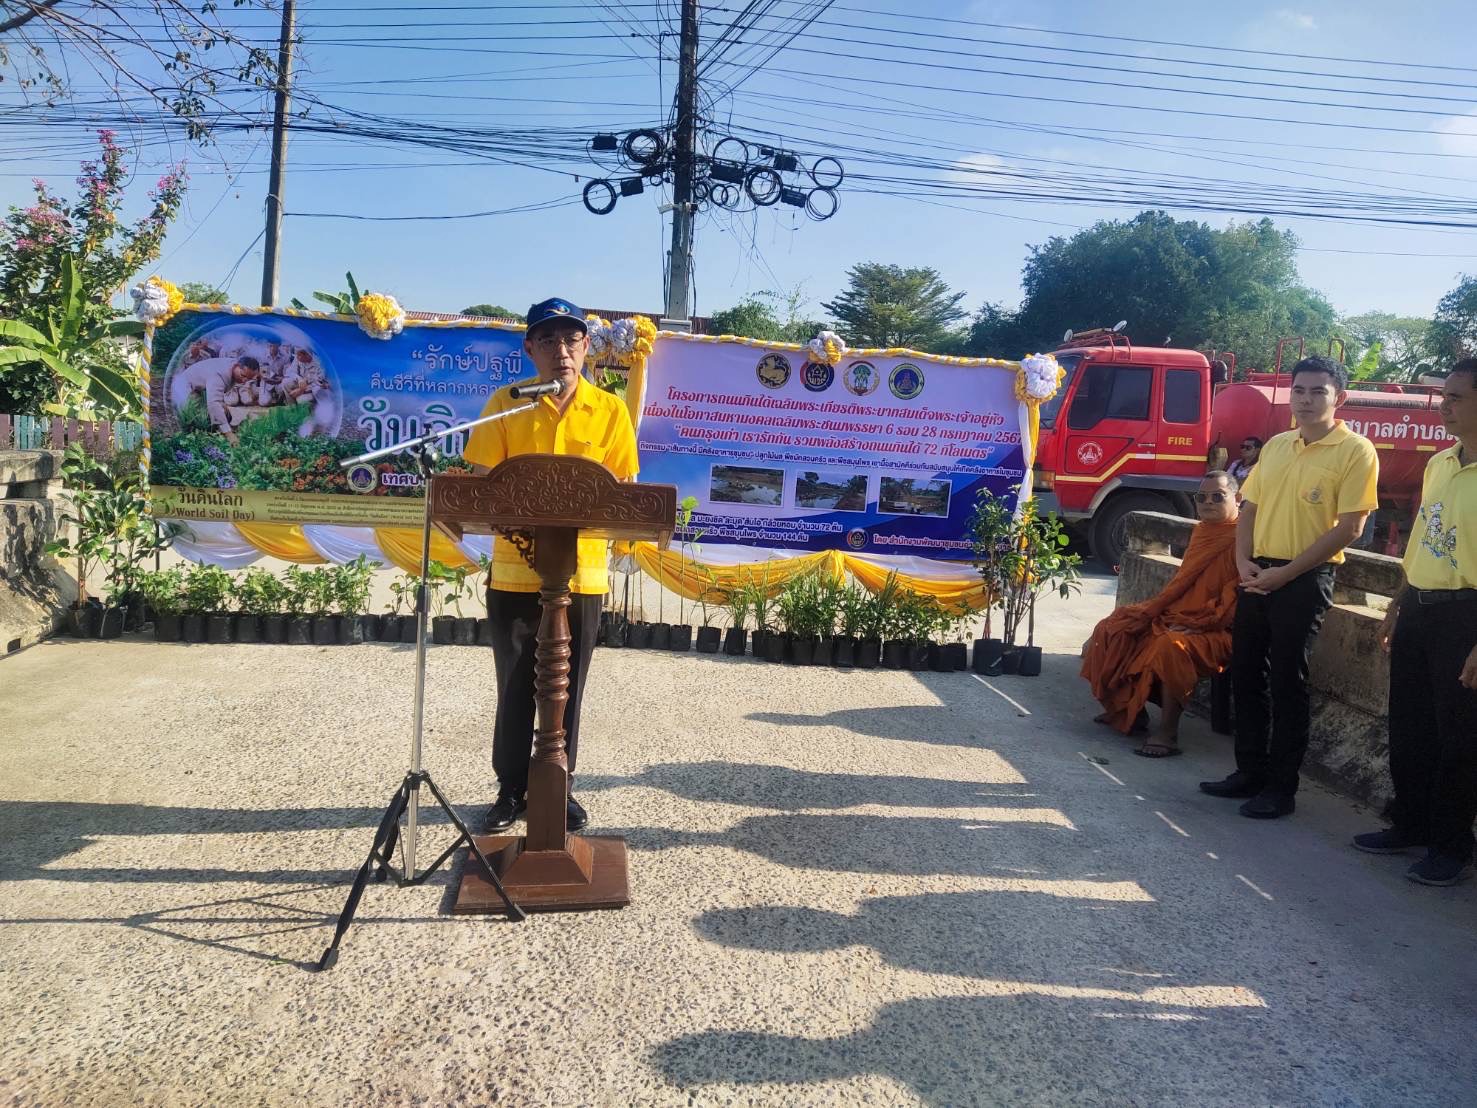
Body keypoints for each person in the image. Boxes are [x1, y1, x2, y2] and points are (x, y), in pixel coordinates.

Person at [462, 297, 638, 834]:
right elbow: (479, 483)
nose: (561, 352)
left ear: (586, 347)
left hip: (580, 575)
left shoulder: (610, 411)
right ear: (530, 349)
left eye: (571, 340)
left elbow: (624, 490)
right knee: (515, 683)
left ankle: (559, 787)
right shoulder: (506, 403)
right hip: (516, 571)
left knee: (568, 685)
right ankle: (511, 788)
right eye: (548, 341)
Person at [1201, 356, 1379, 818]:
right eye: (1298, 390)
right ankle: (1249, 772)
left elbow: (1350, 528)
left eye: (1317, 391)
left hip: (1303, 580)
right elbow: (1251, 509)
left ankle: (1281, 789)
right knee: (1245, 674)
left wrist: (1286, 572)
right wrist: (1243, 561)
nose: (1305, 399)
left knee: (1287, 682)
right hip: (1256, 574)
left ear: (1338, 398)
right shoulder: (1277, 446)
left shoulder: (1356, 452)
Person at [1353, 358, 1477, 885]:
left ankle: (1451, 847)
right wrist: (1399, 603)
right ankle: (1411, 822)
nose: (1444, 405)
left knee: (1461, 737)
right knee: (1408, 723)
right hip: (1421, 606)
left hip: (1466, 616)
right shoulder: (1440, 463)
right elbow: (1424, 539)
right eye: (1444, 395)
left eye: (1456, 397)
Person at [1081, 470, 1242, 757]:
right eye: (1201, 497)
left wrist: (1202, 624)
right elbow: (1183, 583)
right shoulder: (1203, 531)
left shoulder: (1244, 537)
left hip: (1217, 628)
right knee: (1112, 628)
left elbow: (1237, 594)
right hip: (1175, 615)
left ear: (1237, 499)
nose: (1208, 502)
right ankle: (1127, 709)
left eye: (1218, 496)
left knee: (1170, 646)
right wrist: (1159, 612)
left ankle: (1168, 733)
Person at [169, 355, 260, 443]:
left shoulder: (233, 366)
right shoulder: (218, 374)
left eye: (248, 378)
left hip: (199, 388)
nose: (244, 381)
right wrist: (229, 434)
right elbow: (214, 403)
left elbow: (218, 396)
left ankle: (219, 426)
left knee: (223, 413)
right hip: (184, 388)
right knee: (196, 421)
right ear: (236, 366)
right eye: (243, 375)